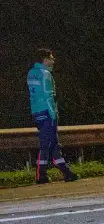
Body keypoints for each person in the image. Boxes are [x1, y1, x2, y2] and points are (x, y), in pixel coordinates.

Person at [26, 49, 78, 183]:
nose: (53, 61)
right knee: (47, 143)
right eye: (51, 58)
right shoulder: (45, 74)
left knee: (52, 142)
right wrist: (53, 114)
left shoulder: (31, 73)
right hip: (47, 111)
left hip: (36, 111)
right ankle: (41, 175)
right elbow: (48, 96)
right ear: (44, 59)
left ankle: (66, 172)